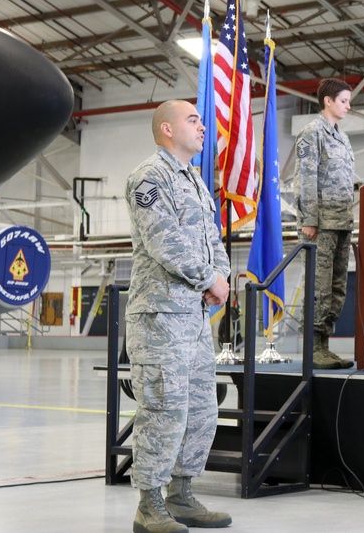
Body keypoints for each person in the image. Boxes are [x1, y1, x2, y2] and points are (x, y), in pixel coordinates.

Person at [125, 100, 232, 532]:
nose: (203, 127)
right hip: (160, 316)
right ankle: (149, 505)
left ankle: (181, 495)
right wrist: (210, 278)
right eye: (194, 120)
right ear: (167, 128)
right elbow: (163, 241)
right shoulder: (149, 176)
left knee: (201, 409)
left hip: (193, 317)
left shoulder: (197, 183)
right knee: (164, 409)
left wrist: (220, 276)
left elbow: (214, 240)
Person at [294, 78, 356, 370]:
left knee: (336, 288)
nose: (348, 106)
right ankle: (313, 346)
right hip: (320, 224)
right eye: (343, 100)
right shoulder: (312, 133)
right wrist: (309, 219)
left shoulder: (342, 138)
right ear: (327, 101)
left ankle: (325, 345)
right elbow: (305, 178)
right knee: (318, 287)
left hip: (342, 222)